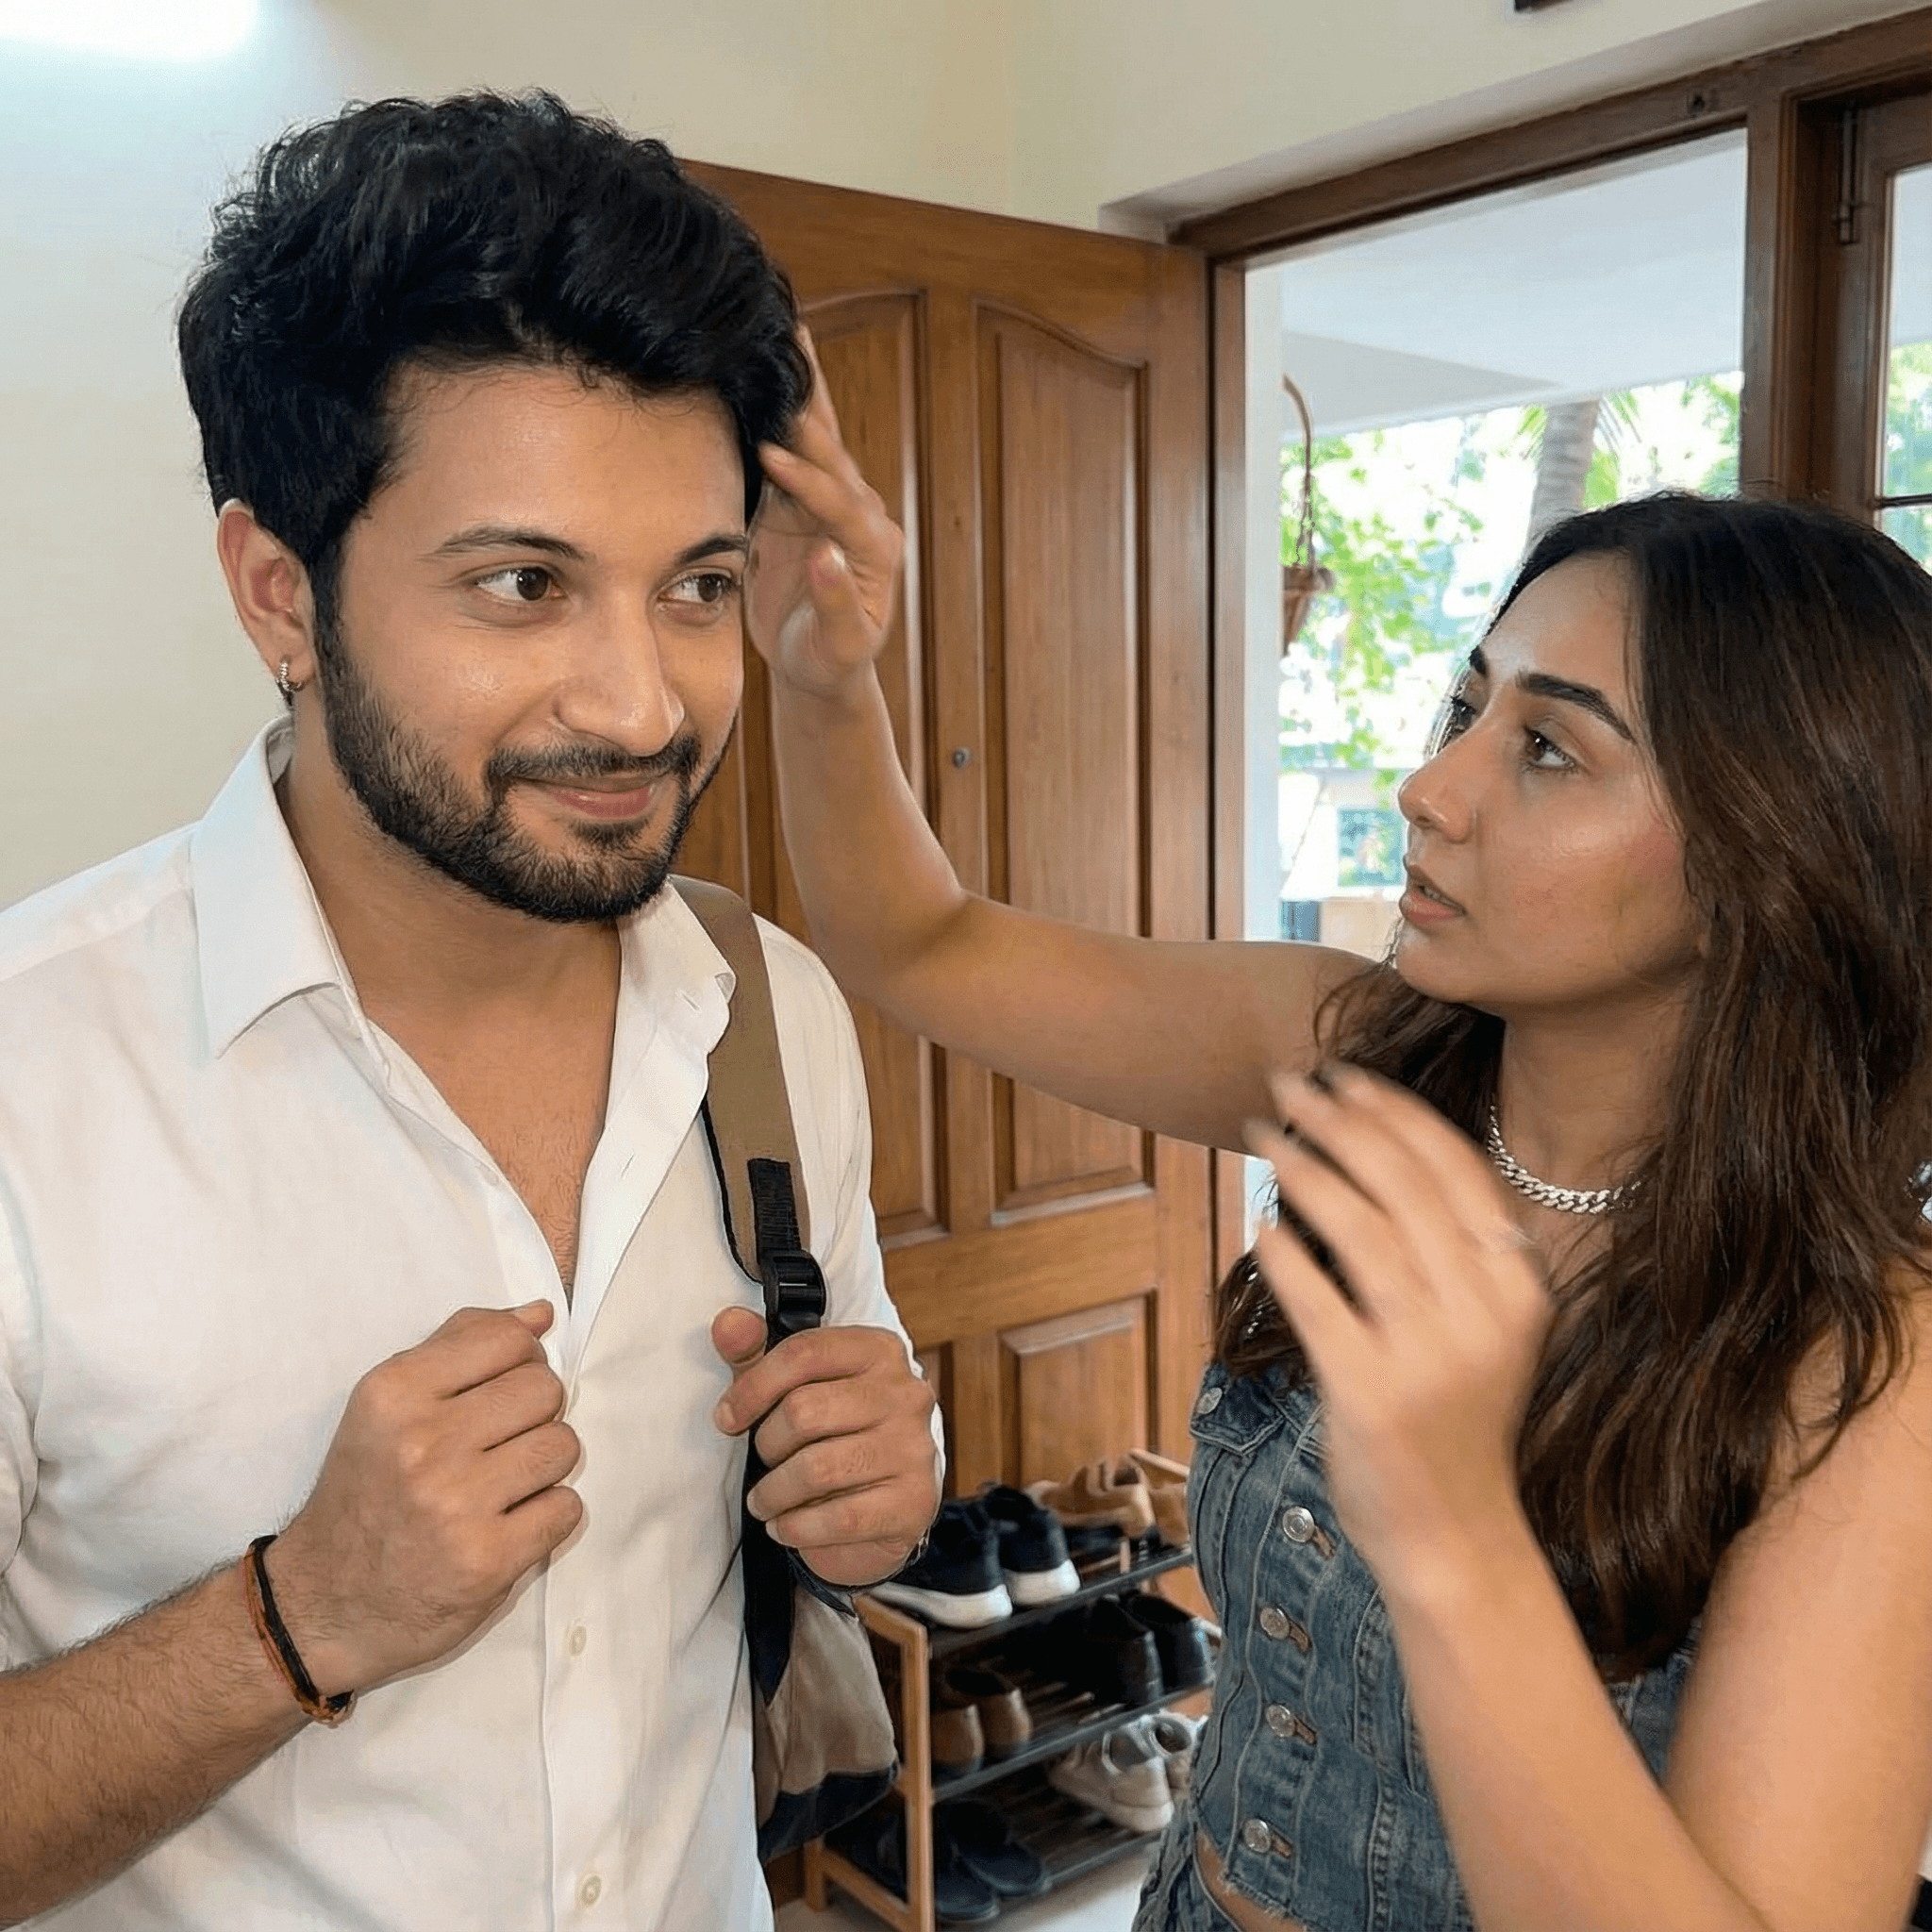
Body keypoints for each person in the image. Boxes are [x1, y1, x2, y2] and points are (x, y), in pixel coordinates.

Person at [748, 380, 1932, 1932]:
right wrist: (830, 679)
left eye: (1552, 752)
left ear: (1770, 864)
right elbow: (922, 943)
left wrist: (1453, 1526)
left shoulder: (1867, 1363)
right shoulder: (1358, 1056)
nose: (1427, 790)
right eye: (1469, 707)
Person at [0, 92, 941, 1931]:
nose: (642, 701)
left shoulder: (773, 1016)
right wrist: (295, 1619)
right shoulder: (31, 1082)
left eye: (696, 588)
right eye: (523, 585)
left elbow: (838, 1445)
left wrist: (872, 1494)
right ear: (280, 593)